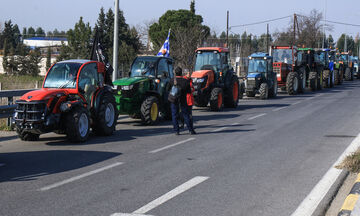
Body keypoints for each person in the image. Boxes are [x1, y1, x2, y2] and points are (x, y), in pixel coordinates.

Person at [169, 67, 196, 135]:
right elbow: (189, 91)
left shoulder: (172, 80)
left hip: (174, 99)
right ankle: (190, 130)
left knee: (174, 115)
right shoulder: (185, 81)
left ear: (175, 73)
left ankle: (176, 131)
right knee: (186, 115)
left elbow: (168, 89)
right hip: (183, 99)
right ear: (181, 73)